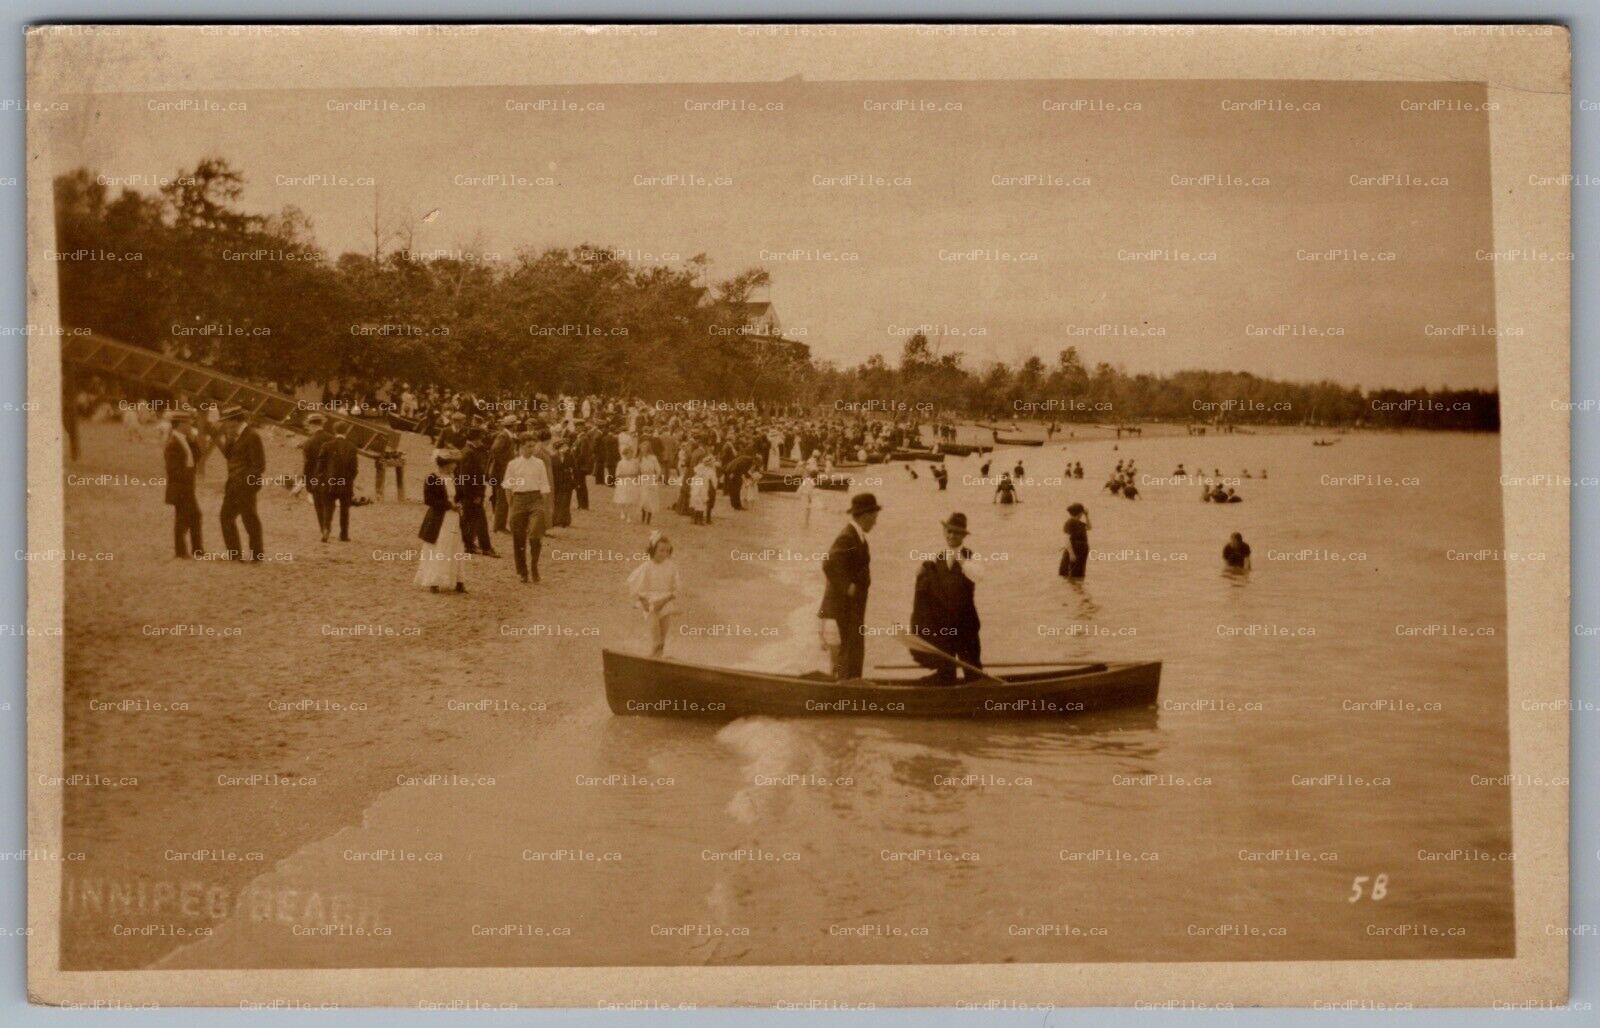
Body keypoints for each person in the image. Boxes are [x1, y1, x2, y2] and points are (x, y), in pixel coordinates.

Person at [909, 513, 983, 682]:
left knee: (973, 669)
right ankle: (945, 686)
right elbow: (920, 581)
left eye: (956, 533)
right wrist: (920, 569)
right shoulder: (937, 557)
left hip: (966, 623)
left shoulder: (971, 557)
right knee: (945, 671)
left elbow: (979, 576)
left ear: (964, 535)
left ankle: (979, 694)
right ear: (944, 532)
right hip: (943, 624)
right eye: (949, 531)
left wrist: (962, 561)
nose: (951, 536)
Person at [819, 492, 879, 680]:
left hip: (850, 608)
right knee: (848, 653)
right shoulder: (848, 537)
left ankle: (847, 688)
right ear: (865, 515)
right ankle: (845, 694)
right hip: (843, 608)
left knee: (852, 652)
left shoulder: (857, 537)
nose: (875, 522)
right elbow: (830, 562)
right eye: (874, 517)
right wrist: (848, 587)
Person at [217, 405, 265, 562]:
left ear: (236, 421)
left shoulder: (252, 436)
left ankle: (257, 555)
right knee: (226, 517)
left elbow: (259, 465)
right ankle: (235, 554)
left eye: (228, 422)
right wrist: (229, 439)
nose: (226, 425)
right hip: (233, 484)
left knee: (249, 518)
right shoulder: (235, 435)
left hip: (245, 485)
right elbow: (229, 456)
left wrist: (246, 483)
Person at [415, 450, 467, 594]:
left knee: (456, 547)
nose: (455, 466)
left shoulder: (454, 478)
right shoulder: (432, 478)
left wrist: (459, 504)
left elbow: (461, 494)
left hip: (454, 518)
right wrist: (449, 505)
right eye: (453, 463)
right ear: (446, 465)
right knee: (440, 547)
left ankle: (458, 581)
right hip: (439, 518)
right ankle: (434, 581)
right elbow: (429, 500)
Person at [502, 433, 551, 583]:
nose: (532, 449)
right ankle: (523, 571)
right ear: (521, 446)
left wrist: (544, 506)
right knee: (518, 538)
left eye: (533, 446)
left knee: (536, 534)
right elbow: (508, 487)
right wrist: (512, 506)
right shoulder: (513, 464)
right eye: (529, 446)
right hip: (519, 500)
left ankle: (534, 566)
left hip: (536, 499)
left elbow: (544, 484)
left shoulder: (539, 463)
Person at [627, 532, 681, 657]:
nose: (664, 554)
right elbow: (636, 585)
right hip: (651, 603)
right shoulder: (646, 566)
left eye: (667, 551)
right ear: (653, 550)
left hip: (666, 601)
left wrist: (665, 599)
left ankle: (659, 657)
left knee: (663, 637)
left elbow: (676, 589)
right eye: (661, 550)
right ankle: (653, 657)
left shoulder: (671, 567)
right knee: (655, 637)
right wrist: (644, 601)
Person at [162, 411, 203, 558]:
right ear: (180, 425)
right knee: (186, 517)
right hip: (180, 487)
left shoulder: (185, 440)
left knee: (191, 516)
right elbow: (173, 470)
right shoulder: (173, 443)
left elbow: (197, 457)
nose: (190, 425)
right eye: (188, 423)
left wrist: (192, 441)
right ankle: (184, 551)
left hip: (187, 487)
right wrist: (188, 477)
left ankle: (194, 550)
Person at [456, 428, 496, 555]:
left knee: (469, 519)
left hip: (471, 492)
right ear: (476, 439)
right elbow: (465, 477)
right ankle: (486, 547)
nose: (482, 441)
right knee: (480, 520)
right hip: (471, 493)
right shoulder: (469, 453)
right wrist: (475, 495)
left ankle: (468, 545)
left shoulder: (471, 451)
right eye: (481, 438)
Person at [322, 422, 360, 542]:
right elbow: (354, 469)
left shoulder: (326, 445)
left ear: (334, 431)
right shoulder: (352, 447)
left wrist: (324, 480)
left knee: (328, 508)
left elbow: (320, 466)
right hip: (345, 483)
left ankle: (326, 529)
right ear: (347, 431)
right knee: (345, 510)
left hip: (330, 483)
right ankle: (344, 535)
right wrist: (349, 480)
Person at [302, 413, 334, 541]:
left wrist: (307, 482)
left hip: (315, 479)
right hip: (331, 478)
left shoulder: (309, 442)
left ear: (312, 425)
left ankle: (323, 529)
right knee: (329, 504)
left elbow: (307, 465)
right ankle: (327, 526)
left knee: (319, 505)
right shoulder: (332, 439)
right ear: (321, 424)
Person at [488, 414, 518, 532]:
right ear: (512, 425)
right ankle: (499, 526)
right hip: (501, 473)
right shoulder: (503, 436)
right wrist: (505, 464)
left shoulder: (509, 436)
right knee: (502, 499)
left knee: (504, 499)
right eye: (515, 424)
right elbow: (495, 450)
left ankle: (501, 525)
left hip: (505, 472)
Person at [1059, 502, 1090, 579]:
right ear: (1080, 513)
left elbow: (1089, 527)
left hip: (1080, 552)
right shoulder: (1070, 522)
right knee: (1072, 574)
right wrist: (1071, 553)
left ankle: (1075, 589)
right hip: (1074, 551)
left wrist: (1087, 516)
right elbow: (1067, 539)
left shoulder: (1079, 523)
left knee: (1077, 575)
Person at [637, 441, 662, 525]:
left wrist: (656, 478)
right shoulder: (639, 458)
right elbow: (637, 470)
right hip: (643, 479)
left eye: (645, 448)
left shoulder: (653, 458)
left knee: (651, 499)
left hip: (651, 478)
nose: (643, 450)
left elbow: (658, 470)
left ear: (648, 449)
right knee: (643, 498)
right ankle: (643, 516)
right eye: (642, 448)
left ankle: (649, 519)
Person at [614, 446, 640, 522]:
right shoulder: (621, 463)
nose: (631, 455)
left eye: (632, 454)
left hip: (631, 482)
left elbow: (637, 472)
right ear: (625, 454)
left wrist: (634, 475)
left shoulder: (634, 462)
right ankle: (622, 511)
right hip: (623, 481)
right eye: (629, 454)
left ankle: (629, 515)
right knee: (622, 498)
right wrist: (627, 474)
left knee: (630, 499)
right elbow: (617, 474)